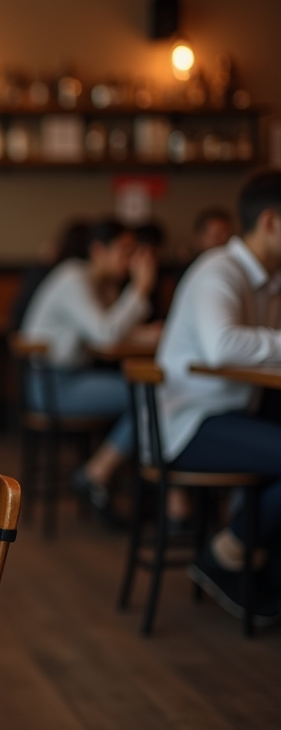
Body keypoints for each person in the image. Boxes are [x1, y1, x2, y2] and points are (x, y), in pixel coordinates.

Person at [157, 170, 281, 624]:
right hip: (191, 423)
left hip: (235, 414)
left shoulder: (270, 279)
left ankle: (243, 555)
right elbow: (222, 346)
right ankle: (227, 554)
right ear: (270, 221)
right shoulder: (219, 269)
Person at [20, 219, 160, 519]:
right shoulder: (73, 278)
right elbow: (106, 334)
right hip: (54, 386)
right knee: (150, 398)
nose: (130, 259)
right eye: (125, 250)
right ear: (98, 249)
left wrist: (146, 330)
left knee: (150, 395)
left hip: (71, 378)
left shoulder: (93, 281)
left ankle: (126, 481)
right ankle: (99, 473)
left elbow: (109, 331)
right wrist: (141, 287)